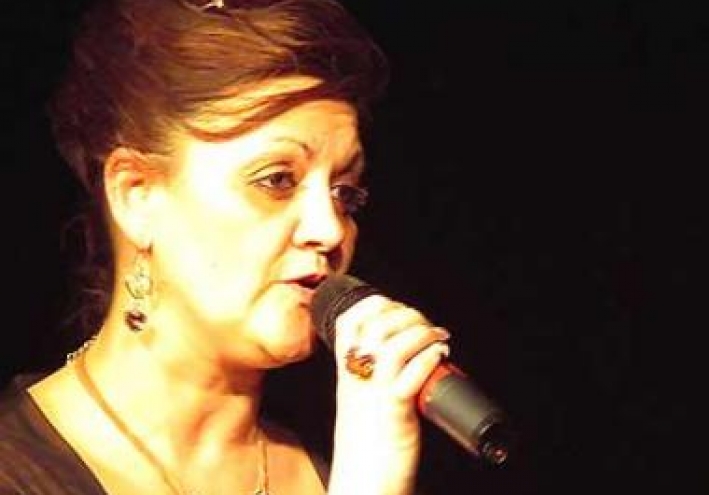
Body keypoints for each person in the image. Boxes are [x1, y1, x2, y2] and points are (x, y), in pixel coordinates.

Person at [0, 0, 452, 493]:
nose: (330, 230)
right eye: (276, 180)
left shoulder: (345, 464)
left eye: (345, 193)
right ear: (137, 195)